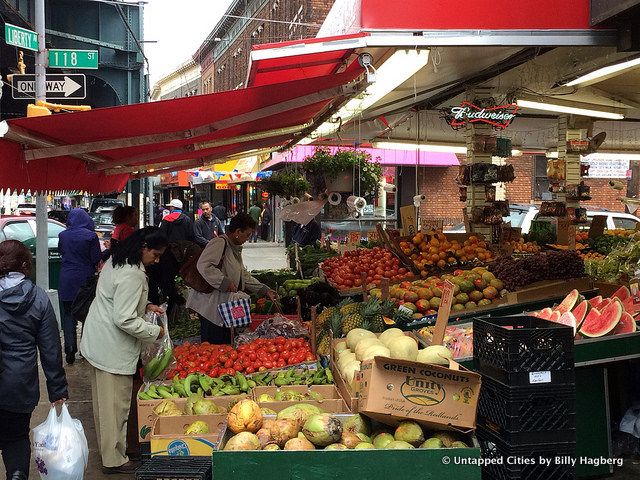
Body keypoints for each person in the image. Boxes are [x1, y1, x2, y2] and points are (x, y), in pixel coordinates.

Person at [80, 227, 167, 474]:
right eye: (156, 254)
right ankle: (114, 460)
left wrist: (146, 304)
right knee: (115, 408)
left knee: (104, 406)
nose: (157, 260)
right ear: (144, 248)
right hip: (112, 348)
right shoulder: (133, 274)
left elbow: (116, 299)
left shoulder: (117, 262)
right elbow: (124, 319)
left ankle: (111, 453)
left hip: (99, 342)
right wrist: (155, 332)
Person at [0, 240, 68, 480]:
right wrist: (57, 390)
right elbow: (51, 350)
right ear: (26, 265)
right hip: (20, 384)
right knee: (16, 436)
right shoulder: (39, 299)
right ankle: (17, 474)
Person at [187, 213, 276, 344]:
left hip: (223, 306)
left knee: (224, 343)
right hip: (210, 306)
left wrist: (264, 290)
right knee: (213, 346)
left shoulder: (233, 248)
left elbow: (243, 274)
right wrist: (225, 282)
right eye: (247, 235)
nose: (247, 239)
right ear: (238, 232)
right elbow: (204, 265)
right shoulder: (219, 243)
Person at [58, 208, 102, 365]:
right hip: (85, 280)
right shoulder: (91, 236)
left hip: (66, 279)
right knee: (87, 314)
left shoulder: (63, 235)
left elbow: (61, 251)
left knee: (68, 314)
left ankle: (70, 348)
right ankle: (85, 349)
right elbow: (96, 258)